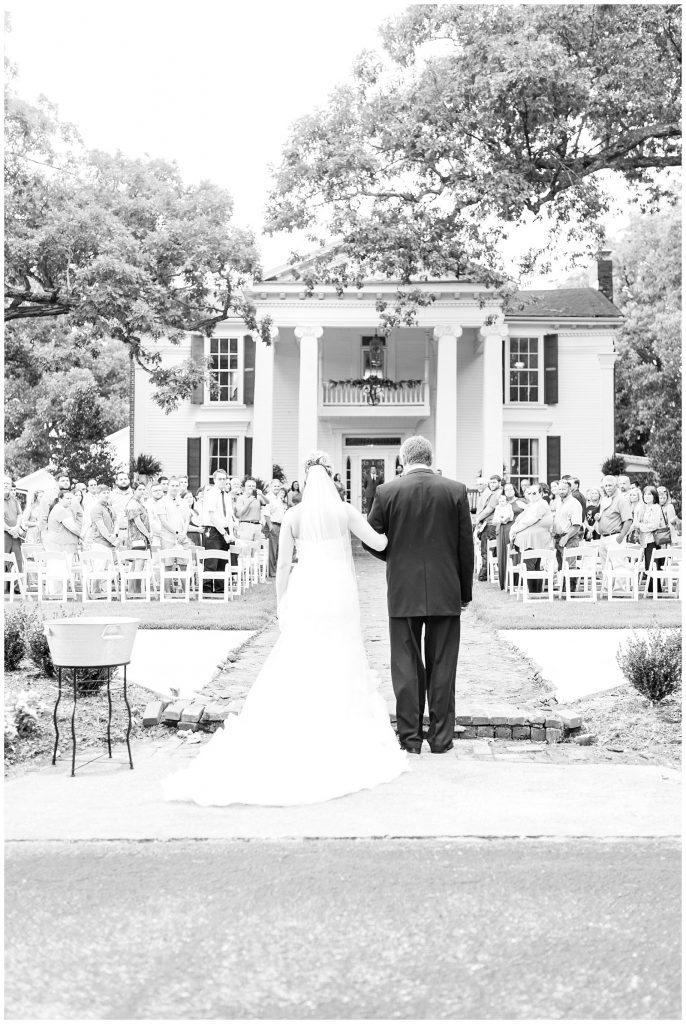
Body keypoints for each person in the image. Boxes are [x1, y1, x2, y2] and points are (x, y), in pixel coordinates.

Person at [163, 451, 407, 806]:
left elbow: (281, 568)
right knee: (341, 652)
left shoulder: (293, 515)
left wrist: (282, 603)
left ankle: (299, 724)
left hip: (308, 588)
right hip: (338, 590)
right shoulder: (345, 512)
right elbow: (381, 543)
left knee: (304, 652)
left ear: (306, 481)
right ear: (332, 479)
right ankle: (338, 724)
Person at [362, 435, 473, 755]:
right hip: (445, 590)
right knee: (442, 666)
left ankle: (410, 739)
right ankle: (440, 739)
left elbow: (371, 539)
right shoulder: (455, 490)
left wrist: (395, 557)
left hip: (403, 590)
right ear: (430, 457)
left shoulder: (387, 491)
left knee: (406, 665)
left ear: (403, 459)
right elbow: (466, 548)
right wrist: (463, 594)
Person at [509, 484, 555, 594]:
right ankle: (536, 592)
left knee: (530, 566)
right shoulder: (533, 504)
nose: (531, 495)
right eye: (529, 493)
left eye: (534, 493)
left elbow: (529, 520)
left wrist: (514, 529)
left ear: (541, 494)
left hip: (534, 540)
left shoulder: (541, 504)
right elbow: (522, 518)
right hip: (532, 540)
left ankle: (534, 592)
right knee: (533, 566)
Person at [203, 470, 235, 593]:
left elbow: (229, 517)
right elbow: (213, 517)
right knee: (212, 561)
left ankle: (221, 589)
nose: (222, 481)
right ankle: (207, 590)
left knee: (223, 561)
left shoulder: (226, 495)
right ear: (214, 480)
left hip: (225, 530)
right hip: (214, 530)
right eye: (220, 479)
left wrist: (231, 533)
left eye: (224, 479)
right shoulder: (210, 494)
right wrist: (224, 534)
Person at [552, 478, 583, 590]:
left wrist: (566, 537)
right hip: (557, 538)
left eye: (564, 489)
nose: (561, 491)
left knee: (570, 566)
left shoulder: (574, 504)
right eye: (559, 489)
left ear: (570, 489)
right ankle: (563, 590)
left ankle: (570, 592)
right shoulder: (559, 502)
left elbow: (576, 525)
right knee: (561, 566)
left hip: (570, 538)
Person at [496, 483, 526, 590]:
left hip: (518, 531)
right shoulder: (502, 503)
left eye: (510, 489)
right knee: (504, 554)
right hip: (504, 530)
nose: (508, 491)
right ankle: (505, 582)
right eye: (506, 490)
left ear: (514, 490)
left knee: (516, 555)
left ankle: (518, 582)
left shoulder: (521, 501)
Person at [635, 485, 663, 594]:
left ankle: (656, 590)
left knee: (653, 565)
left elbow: (654, 525)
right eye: (645, 494)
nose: (646, 496)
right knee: (647, 565)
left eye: (649, 494)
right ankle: (651, 590)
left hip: (652, 539)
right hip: (643, 540)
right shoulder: (641, 507)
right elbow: (636, 521)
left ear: (654, 496)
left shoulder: (656, 507)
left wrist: (641, 526)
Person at [474, 474, 502, 581]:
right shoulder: (492, 493)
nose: (492, 484)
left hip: (491, 525)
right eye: (491, 482)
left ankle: (484, 574)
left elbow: (489, 509)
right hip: (489, 524)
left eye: (494, 482)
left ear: (499, 483)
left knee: (487, 549)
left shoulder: (497, 493)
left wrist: (477, 519)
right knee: (489, 549)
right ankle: (487, 573)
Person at [4, 476, 25, 593]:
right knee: (3, 559)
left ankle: (17, 588)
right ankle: (3, 588)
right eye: (4, 483)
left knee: (18, 560)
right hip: (4, 534)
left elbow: (20, 515)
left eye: (8, 483)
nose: (6, 485)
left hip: (15, 535)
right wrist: (8, 529)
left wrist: (16, 528)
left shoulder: (15, 500)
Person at [265, 479, 287, 577]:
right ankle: (271, 572)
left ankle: (276, 570)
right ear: (270, 486)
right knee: (272, 550)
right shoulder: (268, 497)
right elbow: (266, 513)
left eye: (278, 486)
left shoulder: (278, 497)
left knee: (278, 549)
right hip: (273, 525)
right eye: (275, 486)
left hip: (280, 525)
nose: (277, 488)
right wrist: (270, 527)